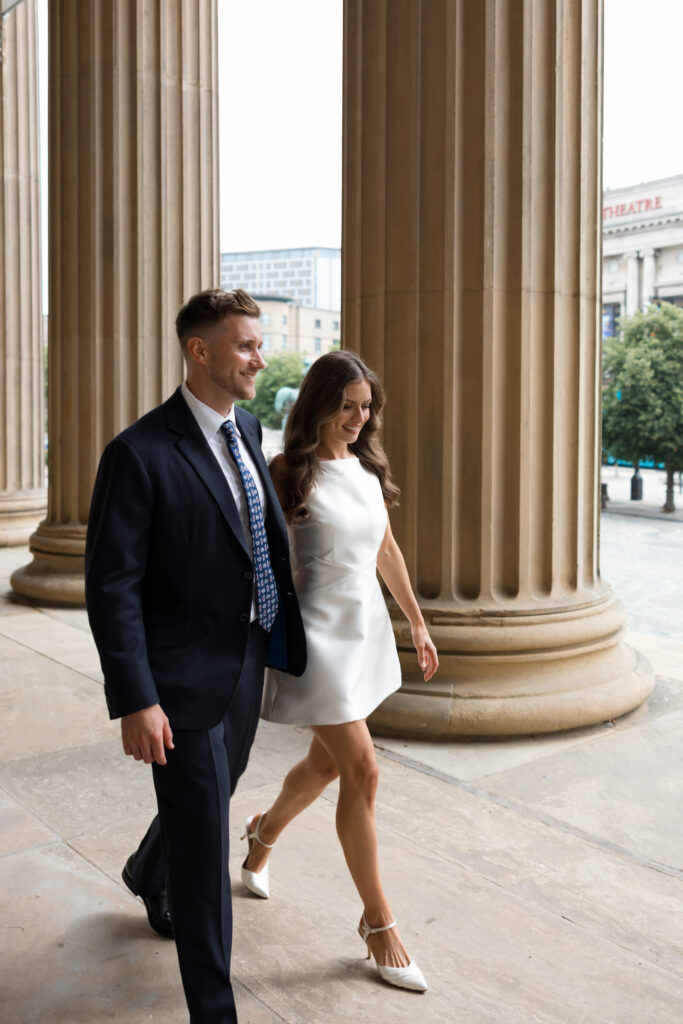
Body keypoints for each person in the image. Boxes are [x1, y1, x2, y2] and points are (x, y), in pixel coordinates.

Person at [85, 288, 306, 1024]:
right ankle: (216, 1011)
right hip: (177, 680)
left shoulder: (246, 424)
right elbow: (111, 588)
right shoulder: (138, 453)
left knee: (211, 796)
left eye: (259, 342)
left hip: (245, 656)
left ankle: (149, 870)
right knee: (208, 847)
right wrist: (135, 696)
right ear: (200, 351)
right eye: (245, 345)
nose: (259, 357)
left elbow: (253, 539)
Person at [242, 350, 438, 993]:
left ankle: (262, 833)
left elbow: (384, 548)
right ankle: (378, 922)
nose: (358, 418)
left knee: (328, 764)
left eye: (366, 408)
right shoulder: (285, 472)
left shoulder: (366, 468)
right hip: (314, 639)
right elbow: (252, 557)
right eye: (348, 405)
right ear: (320, 403)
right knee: (362, 767)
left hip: (362, 632)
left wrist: (415, 620)